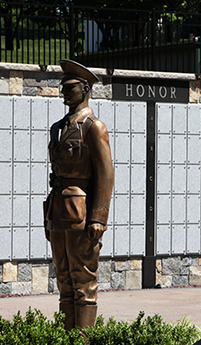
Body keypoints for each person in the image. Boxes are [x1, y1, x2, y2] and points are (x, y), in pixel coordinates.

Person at [44, 59, 114, 331]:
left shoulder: (93, 127)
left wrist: (99, 217)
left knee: (83, 282)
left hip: (82, 213)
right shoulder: (58, 127)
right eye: (62, 86)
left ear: (85, 89)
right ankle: (67, 337)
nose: (63, 90)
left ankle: (82, 340)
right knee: (64, 281)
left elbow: (105, 175)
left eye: (69, 86)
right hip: (57, 212)